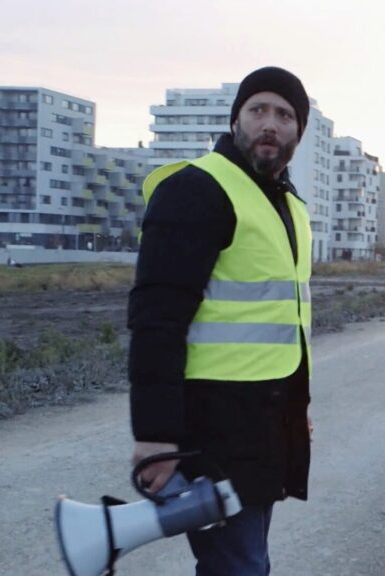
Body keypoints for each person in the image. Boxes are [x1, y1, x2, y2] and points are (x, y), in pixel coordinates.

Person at [128, 66, 314, 575]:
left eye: (284, 114)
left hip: (263, 422)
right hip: (210, 426)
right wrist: (155, 436)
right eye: (258, 111)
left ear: (300, 131)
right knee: (241, 567)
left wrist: (296, 411)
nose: (270, 123)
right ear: (236, 121)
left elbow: (284, 322)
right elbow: (156, 318)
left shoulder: (285, 204)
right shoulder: (199, 190)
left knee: (243, 563)